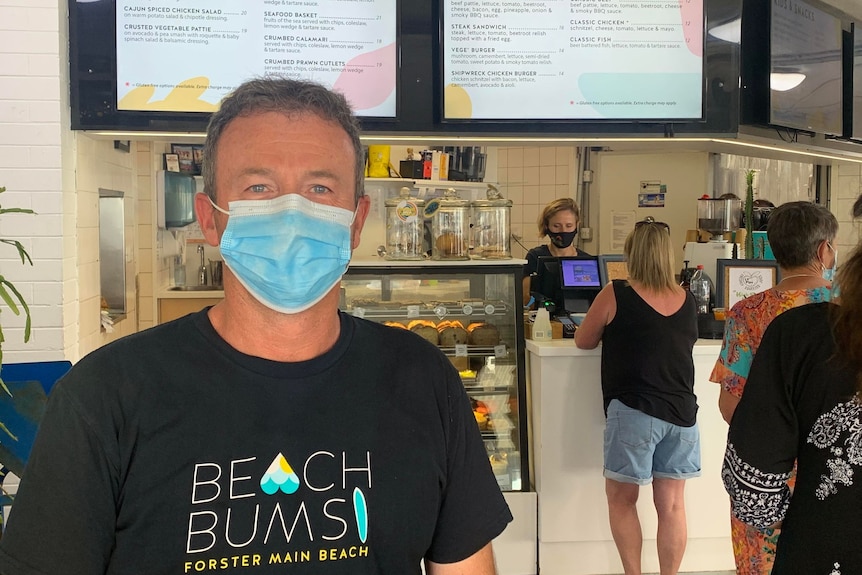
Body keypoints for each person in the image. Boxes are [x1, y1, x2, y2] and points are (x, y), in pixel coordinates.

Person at [0, 78, 512, 574]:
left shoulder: (423, 378)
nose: (291, 211)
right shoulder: (102, 397)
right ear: (210, 218)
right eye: (258, 186)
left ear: (356, 221)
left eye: (319, 187)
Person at [722, 195, 862, 575]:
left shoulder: (747, 313)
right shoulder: (849, 314)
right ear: (824, 250)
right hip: (839, 483)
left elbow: (730, 404)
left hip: (771, 479)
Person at [575, 219, 699, 575]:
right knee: (672, 506)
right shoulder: (687, 299)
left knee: (622, 500)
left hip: (634, 412)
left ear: (631, 253)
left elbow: (583, 339)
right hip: (683, 415)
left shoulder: (617, 292)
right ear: (667, 255)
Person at [522, 197, 589, 306]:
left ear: (577, 226)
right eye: (556, 226)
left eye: (569, 226)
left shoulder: (586, 261)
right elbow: (525, 298)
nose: (563, 231)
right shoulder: (535, 256)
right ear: (546, 226)